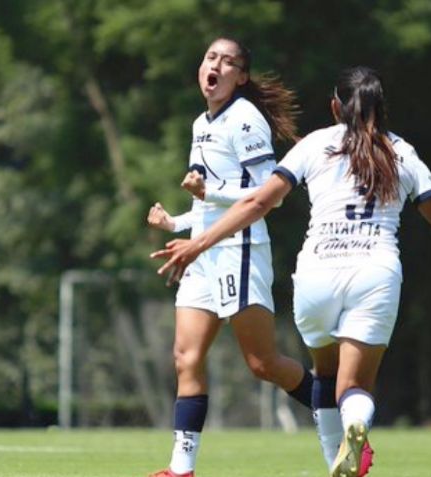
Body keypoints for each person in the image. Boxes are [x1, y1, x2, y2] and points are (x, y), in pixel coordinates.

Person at [152, 66, 431, 477]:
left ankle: (340, 461)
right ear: (382, 110)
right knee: (354, 390)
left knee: (325, 381)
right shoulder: (402, 152)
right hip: (374, 274)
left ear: (334, 107)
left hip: (316, 274)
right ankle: (356, 425)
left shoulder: (314, 145)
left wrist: (198, 243)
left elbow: (257, 203)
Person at [145, 37, 318, 477]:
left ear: (240, 77)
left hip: (239, 248)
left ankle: (334, 406)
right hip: (202, 252)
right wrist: (176, 223)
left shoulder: (244, 120)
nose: (215, 65)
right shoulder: (201, 122)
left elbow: (268, 197)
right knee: (186, 356)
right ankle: (181, 468)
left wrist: (210, 193)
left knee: (262, 364)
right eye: (210, 57)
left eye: (227, 61)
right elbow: (209, 205)